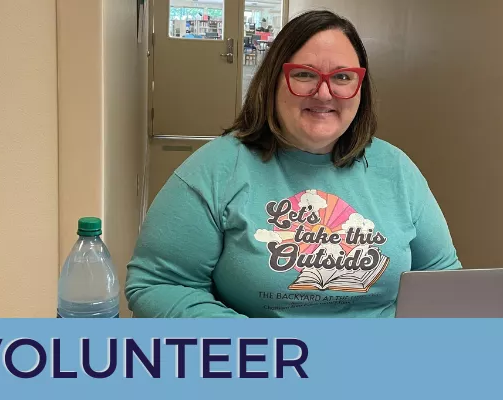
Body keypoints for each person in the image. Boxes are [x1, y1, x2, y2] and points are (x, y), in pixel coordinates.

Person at [125, 10, 462, 318]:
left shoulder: (396, 169)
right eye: (304, 74)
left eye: (343, 77)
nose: (324, 93)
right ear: (273, 82)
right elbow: (157, 284)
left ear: (361, 88)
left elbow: (443, 277)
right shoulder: (216, 169)